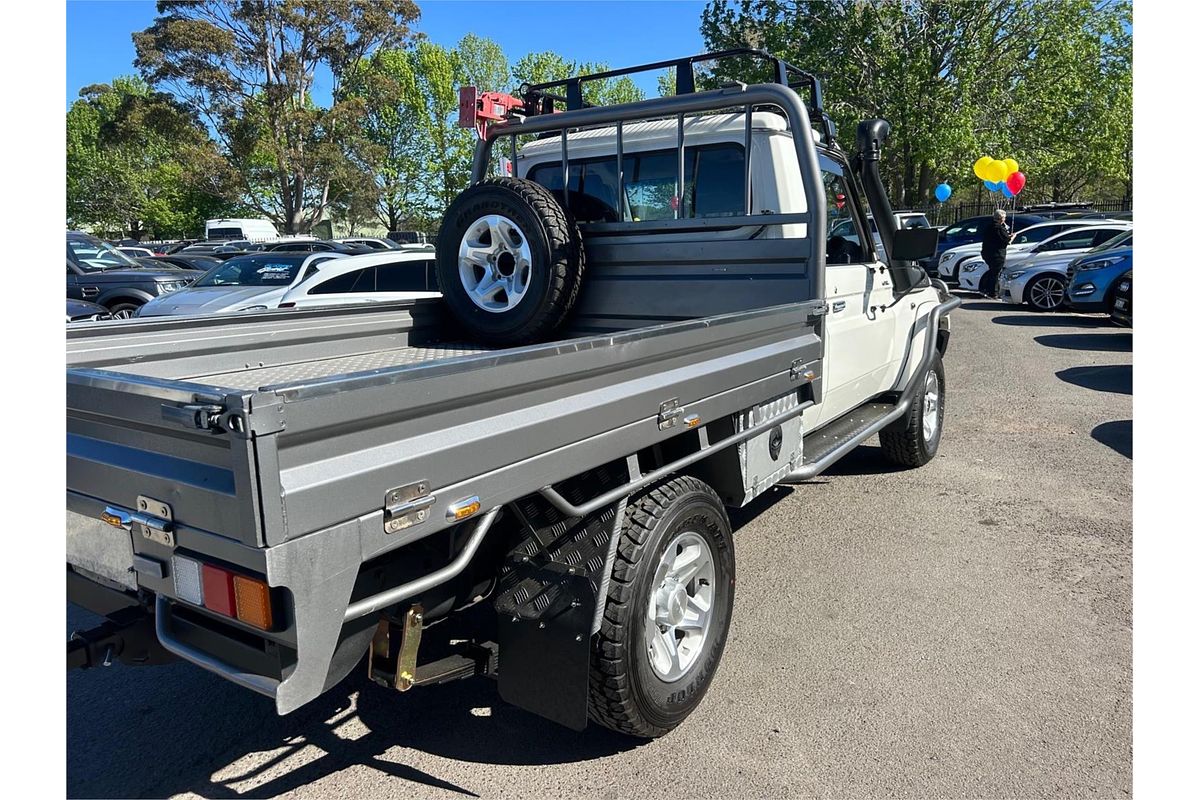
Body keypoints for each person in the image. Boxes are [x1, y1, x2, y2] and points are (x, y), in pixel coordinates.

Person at [979, 208, 1013, 299]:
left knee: (991, 271)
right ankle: (993, 292)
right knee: (995, 273)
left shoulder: (989, 227)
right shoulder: (999, 228)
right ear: (1001, 218)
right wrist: (1012, 237)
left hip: (987, 253)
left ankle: (985, 289)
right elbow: (1006, 240)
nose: (1005, 219)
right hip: (997, 254)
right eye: (1004, 218)